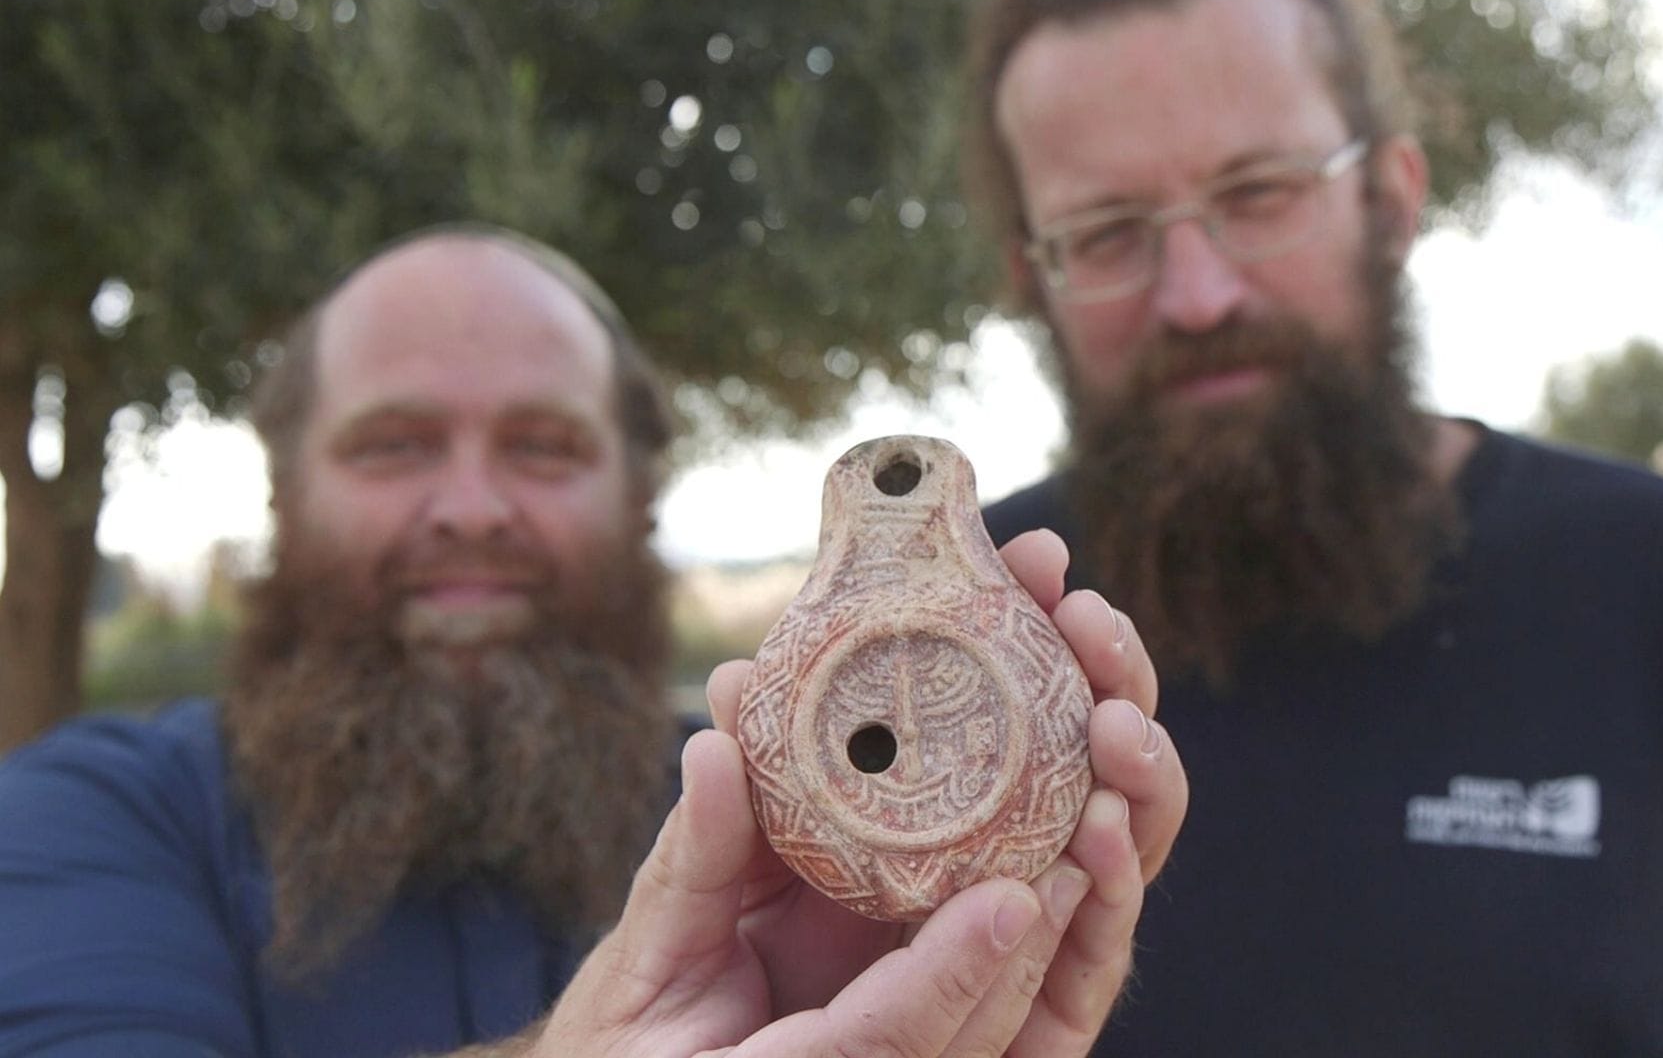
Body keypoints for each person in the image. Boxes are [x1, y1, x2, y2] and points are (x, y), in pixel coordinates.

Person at [0, 225, 1189, 1057]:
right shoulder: (92, 821)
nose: (471, 505)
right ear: (284, 495)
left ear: (638, 496)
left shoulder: (777, 822)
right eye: (394, 444)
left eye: (543, 445)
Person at [965, 0, 1663, 1053]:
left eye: (1260, 192)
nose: (1197, 296)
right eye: (1109, 231)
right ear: (1036, 276)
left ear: (1392, 198)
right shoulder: (956, 634)